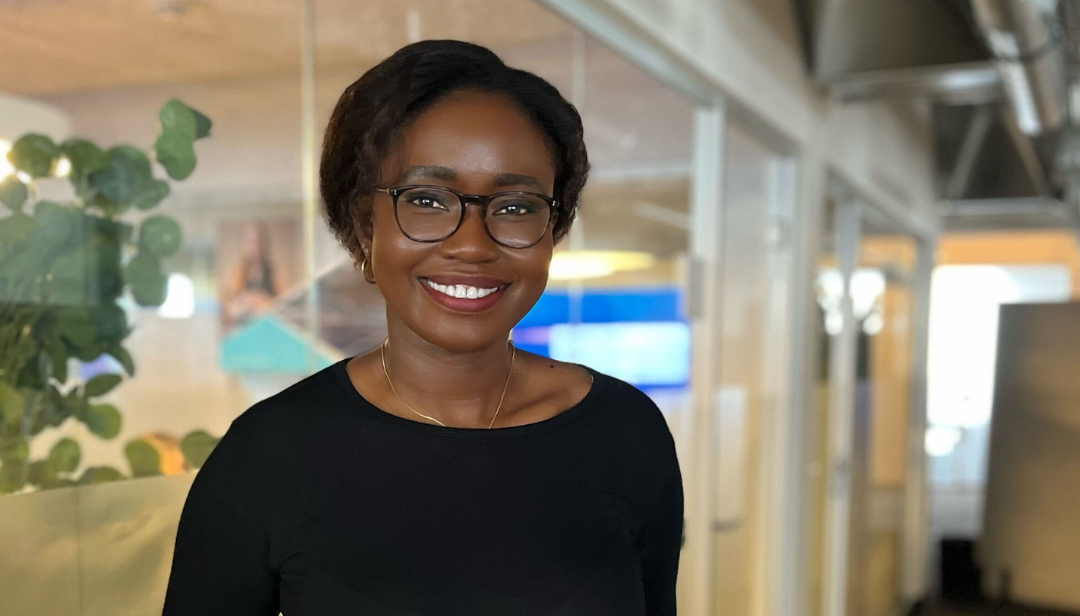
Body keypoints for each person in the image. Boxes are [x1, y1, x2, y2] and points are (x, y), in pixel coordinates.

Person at [162, 39, 683, 616]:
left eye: (515, 207)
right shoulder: (269, 456)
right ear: (365, 227)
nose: (472, 245)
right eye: (427, 200)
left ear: (552, 233)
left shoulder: (625, 433)